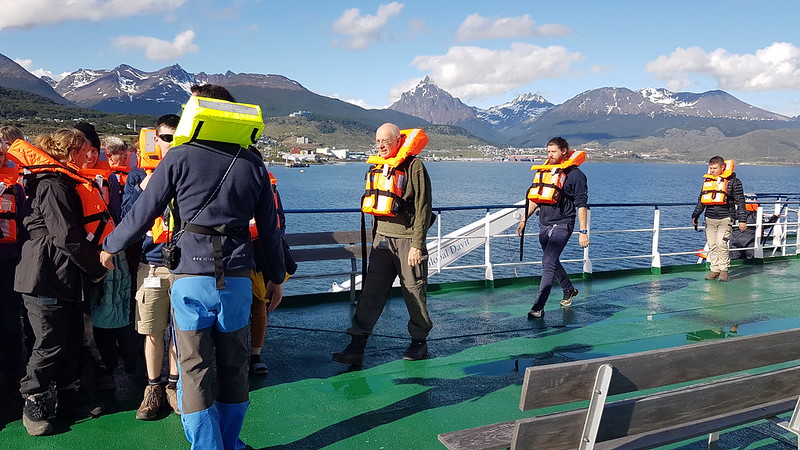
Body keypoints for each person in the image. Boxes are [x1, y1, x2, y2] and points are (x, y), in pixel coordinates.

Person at [101, 85, 286, 449]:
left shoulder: (180, 156)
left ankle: (207, 446)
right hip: (237, 281)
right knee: (234, 368)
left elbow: (143, 212)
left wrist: (111, 246)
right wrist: (277, 277)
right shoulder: (253, 163)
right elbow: (269, 229)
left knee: (193, 369)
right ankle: (230, 442)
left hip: (190, 280)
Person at [10, 130, 109, 436]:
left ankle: (69, 395)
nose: (87, 156)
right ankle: (34, 402)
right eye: (82, 150)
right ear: (69, 153)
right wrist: (96, 268)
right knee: (49, 342)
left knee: (70, 337)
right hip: (46, 275)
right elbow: (65, 235)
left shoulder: (63, 182)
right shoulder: (53, 185)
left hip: (64, 275)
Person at [333, 123, 433, 366]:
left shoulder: (415, 166)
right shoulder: (379, 165)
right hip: (382, 241)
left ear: (398, 141)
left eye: (385, 141)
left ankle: (419, 342)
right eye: (377, 142)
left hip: (408, 240)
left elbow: (423, 208)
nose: (380, 146)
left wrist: (417, 245)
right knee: (371, 293)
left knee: (413, 291)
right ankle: (357, 345)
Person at [122, 114, 182, 419]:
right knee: (153, 330)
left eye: (177, 138)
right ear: (155, 139)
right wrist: (148, 185)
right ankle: (153, 387)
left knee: (181, 330)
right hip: (152, 265)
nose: (170, 144)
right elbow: (126, 219)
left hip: (184, 265)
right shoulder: (137, 177)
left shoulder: (188, 172)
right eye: (166, 138)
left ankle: (173, 385)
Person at [516, 137, 589, 319]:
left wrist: (583, 232)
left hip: (564, 223)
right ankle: (569, 289)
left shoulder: (576, 175)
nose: (550, 155)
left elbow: (581, 205)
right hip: (545, 222)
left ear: (564, 151)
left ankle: (538, 306)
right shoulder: (546, 171)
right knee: (552, 261)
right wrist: (524, 219)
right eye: (548, 152)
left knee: (548, 263)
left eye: (553, 151)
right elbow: (536, 198)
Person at [691, 156, 747, 281]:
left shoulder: (734, 182)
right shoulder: (708, 181)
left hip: (726, 218)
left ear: (722, 167)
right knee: (712, 245)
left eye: (714, 168)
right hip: (710, 218)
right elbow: (701, 201)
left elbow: (741, 202)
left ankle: (724, 270)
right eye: (710, 168)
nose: (711, 171)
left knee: (721, 243)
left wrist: (742, 220)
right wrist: (695, 215)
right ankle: (714, 269)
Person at [0, 136, 26, 397]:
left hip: (8, 260)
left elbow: (22, 221)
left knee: (9, 320)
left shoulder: (15, 187)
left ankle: (13, 371)